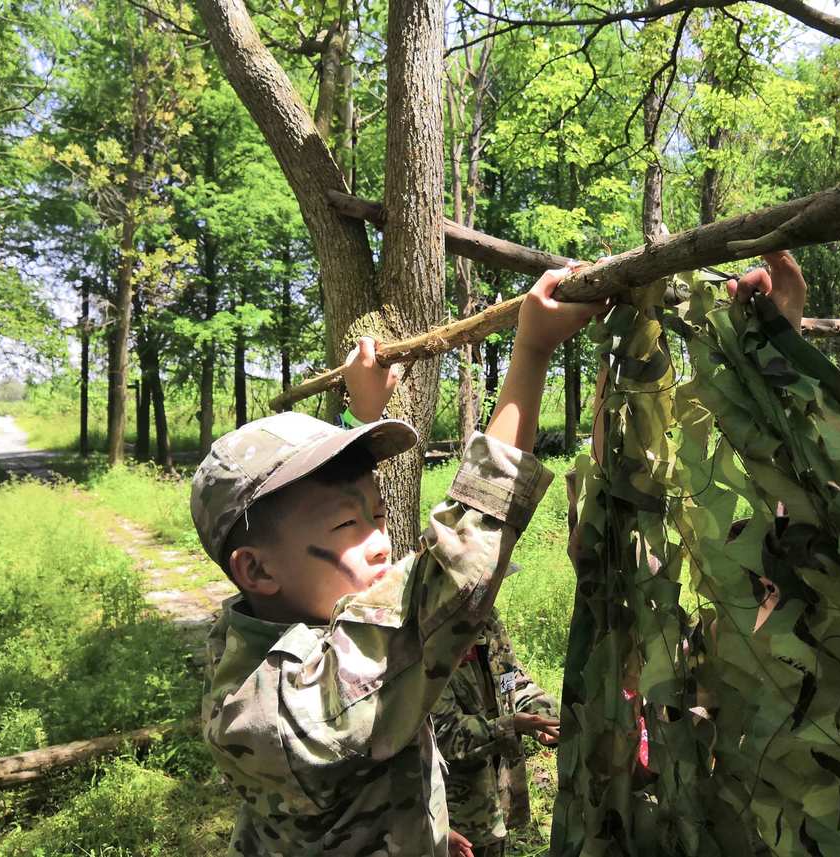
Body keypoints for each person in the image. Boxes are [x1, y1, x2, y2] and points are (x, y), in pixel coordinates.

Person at [190, 267, 605, 856]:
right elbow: (455, 569)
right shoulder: (293, 704)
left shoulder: (260, 628)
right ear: (255, 570)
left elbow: (316, 538)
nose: (383, 541)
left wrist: (360, 420)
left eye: (379, 516)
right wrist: (532, 352)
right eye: (348, 526)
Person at [432, 608, 559, 857]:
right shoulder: (429, 642)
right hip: (452, 813)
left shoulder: (488, 622)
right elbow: (444, 733)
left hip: (495, 799)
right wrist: (510, 725)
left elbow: (512, 682)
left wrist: (547, 718)